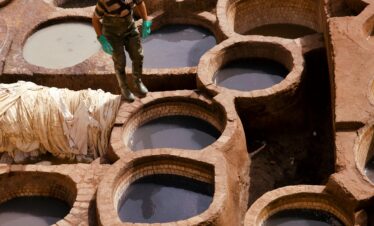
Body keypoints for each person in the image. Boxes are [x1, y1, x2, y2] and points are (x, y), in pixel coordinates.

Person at [92, 0, 152, 102]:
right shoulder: (104, 1)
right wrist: (102, 39)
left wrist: (146, 20)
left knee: (138, 55)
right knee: (120, 61)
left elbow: (140, 3)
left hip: (130, 28)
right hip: (112, 33)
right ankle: (124, 88)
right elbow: (95, 19)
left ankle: (137, 81)